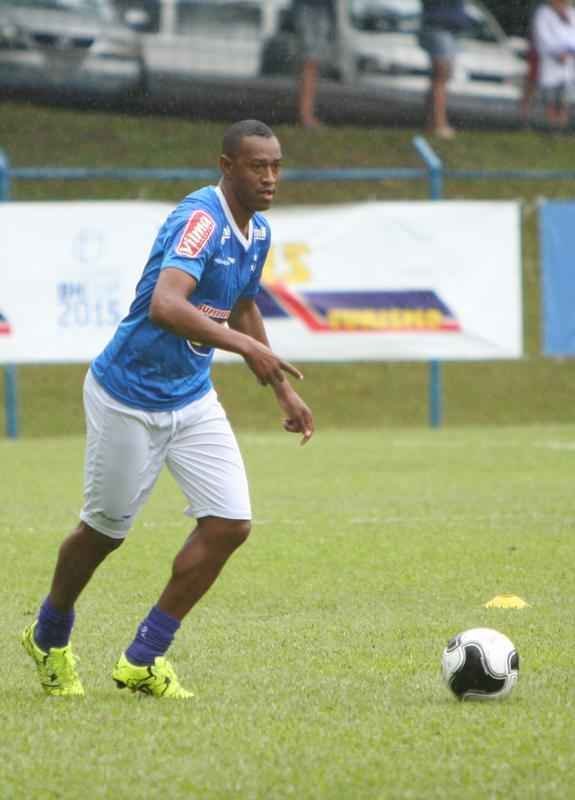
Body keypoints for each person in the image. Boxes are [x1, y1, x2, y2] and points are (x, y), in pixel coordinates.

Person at [21, 119, 314, 700]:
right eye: (258, 165)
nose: (270, 177)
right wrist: (247, 346)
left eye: (277, 165)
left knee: (231, 524)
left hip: (191, 397)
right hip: (126, 395)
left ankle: (143, 658)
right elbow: (165, 305)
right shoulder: (199, 220)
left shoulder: (256, 234)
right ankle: (50, 632)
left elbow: (244, 302)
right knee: (104, 534)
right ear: (226, 166)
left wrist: (279, 384)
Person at [418, 0, 470, 139]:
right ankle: (440, 125)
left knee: (442, 77)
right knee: (440, 77)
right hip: (437, 27)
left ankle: (431, 124)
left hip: (451, 28)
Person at [532, 0, 575, 131]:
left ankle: (561, 128)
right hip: (551, 61)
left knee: (565, 98)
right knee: (550, 97)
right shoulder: (543, 14)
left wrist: (570, 51)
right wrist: (557, 52)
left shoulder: (571, 14)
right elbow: (543, 36)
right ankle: (550, 127)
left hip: (569, 62)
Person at [293, 0, 335, 128]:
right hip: (309, 6)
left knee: (312, 63)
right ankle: (306, 116)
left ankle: (307, 115)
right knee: (310, 63)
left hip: (322, 7)